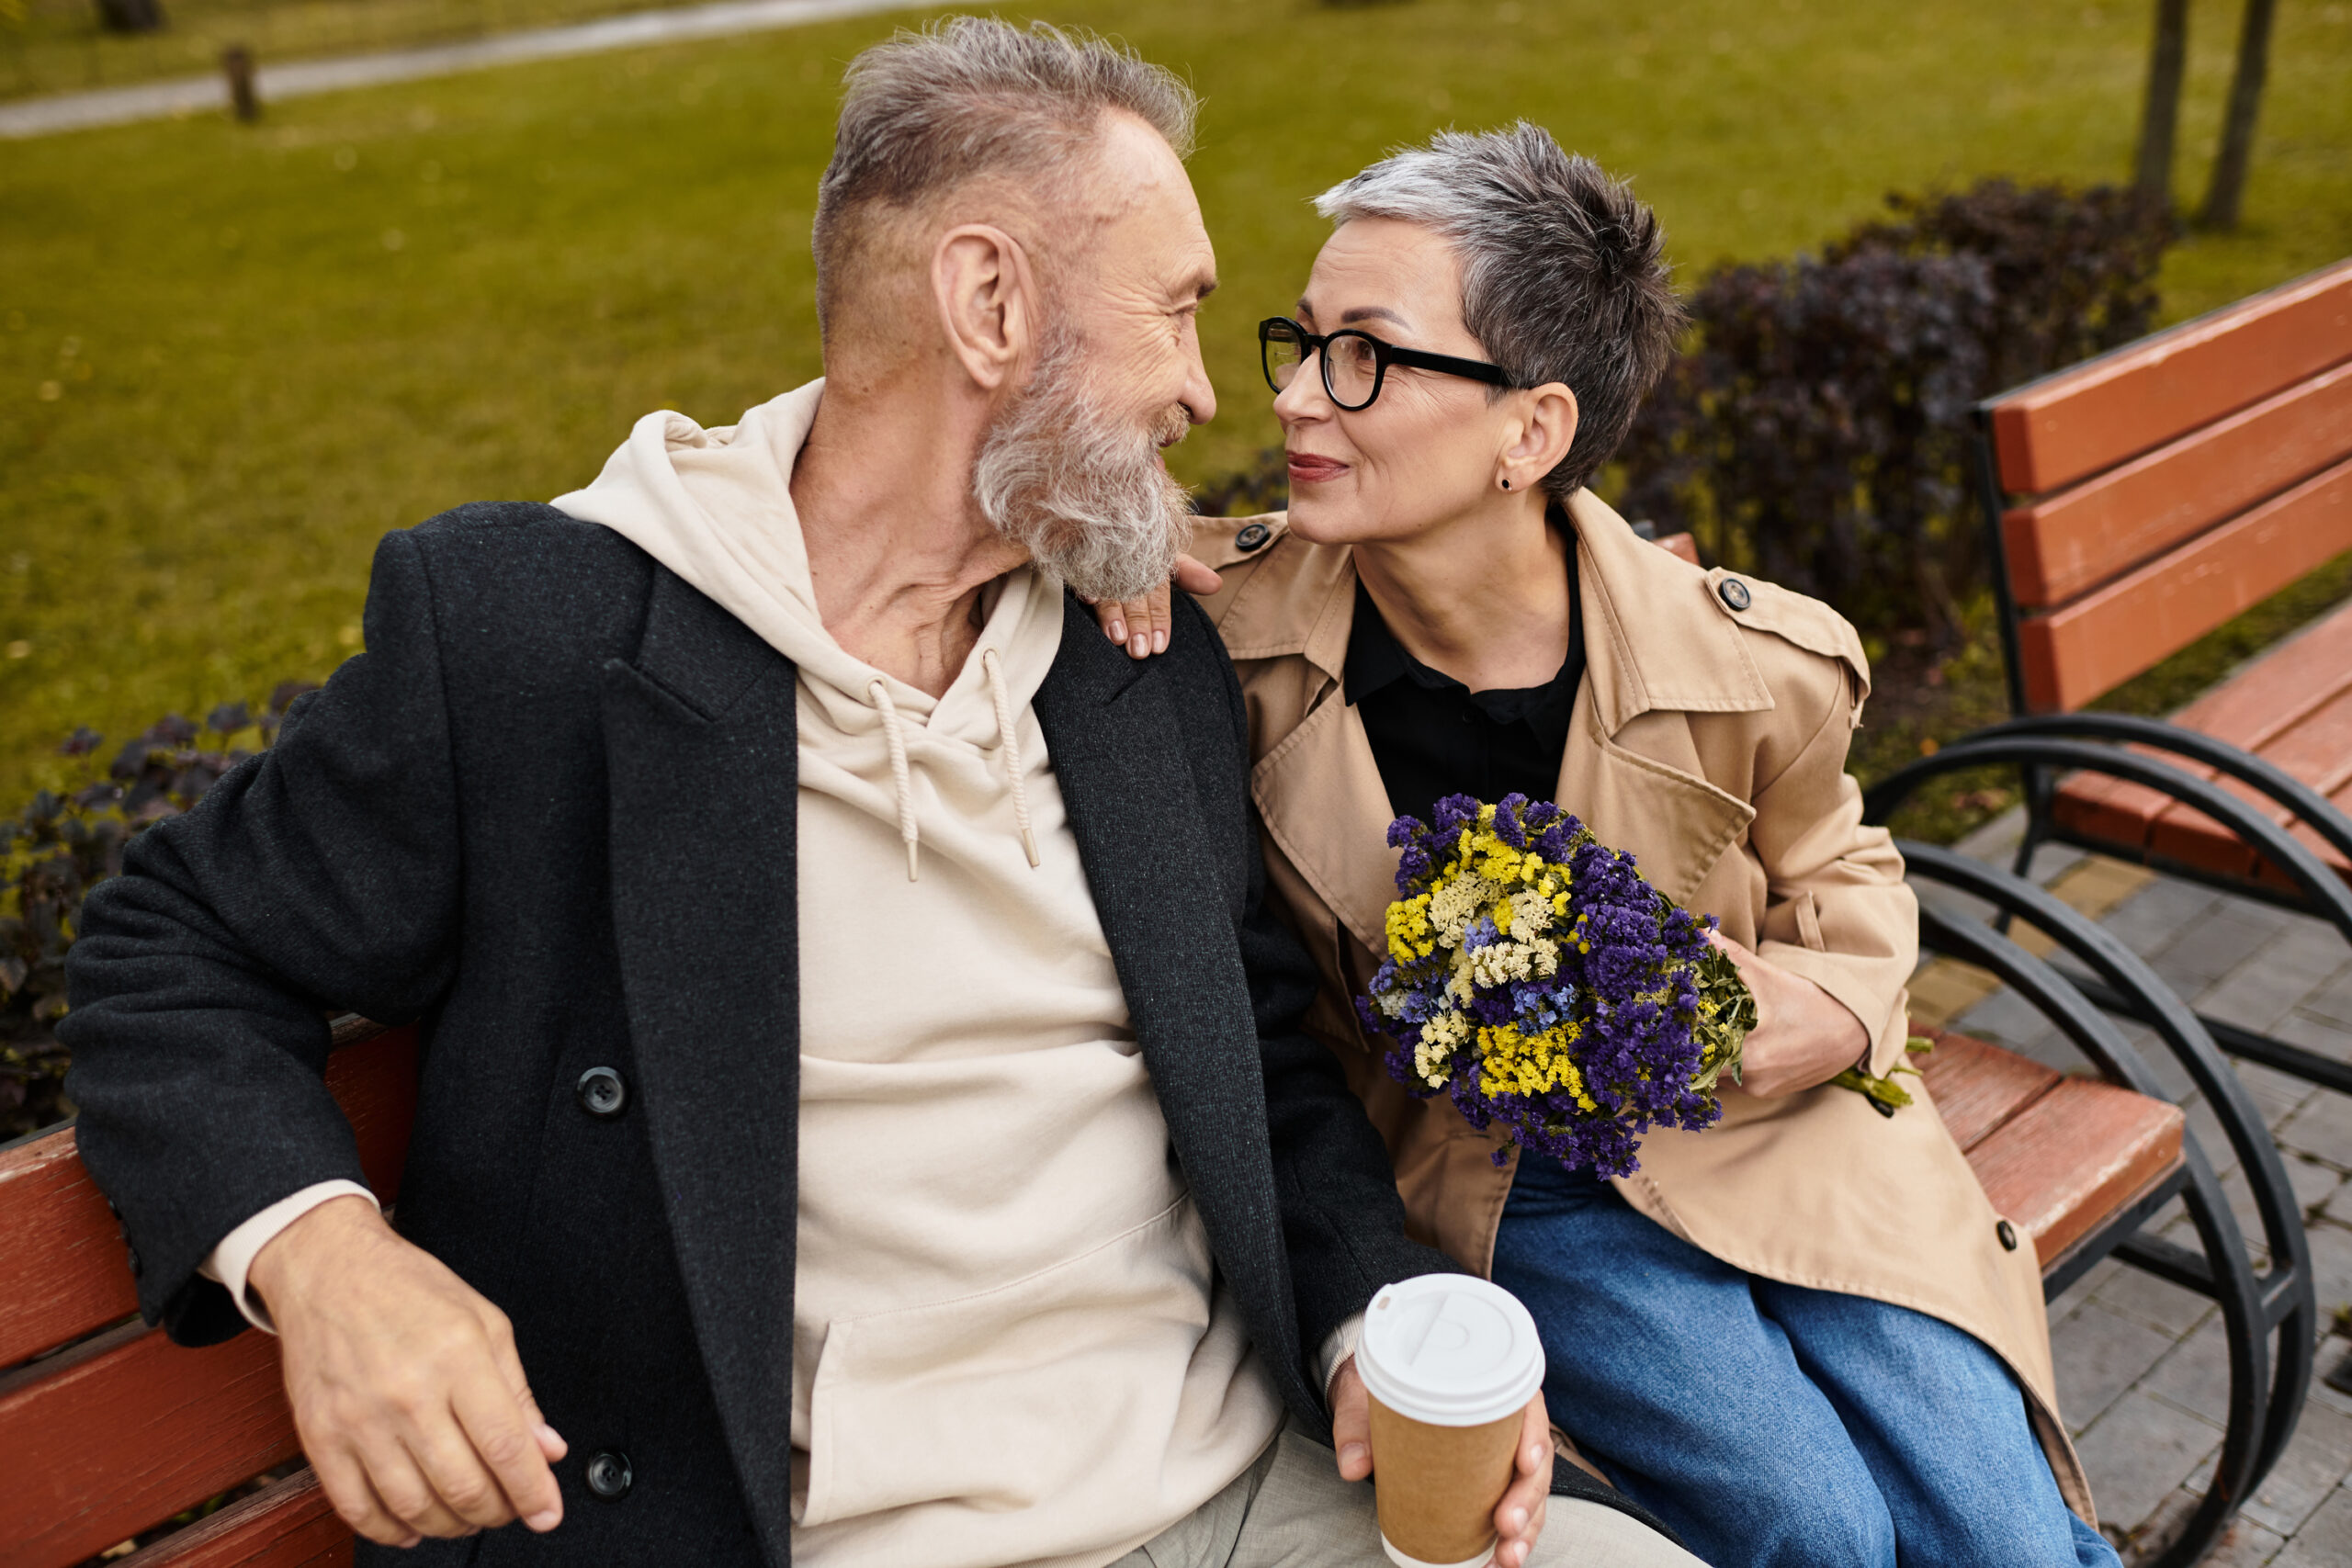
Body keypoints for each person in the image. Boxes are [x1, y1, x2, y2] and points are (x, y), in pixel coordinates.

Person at [60, 22, 1702, 1568]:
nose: (1212, 394)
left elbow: (1263, 1062)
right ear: (989, 304)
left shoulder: (1130, 656)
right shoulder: (538, 638)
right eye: (1175, 311)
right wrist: (325, 1256)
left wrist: (1361, 1324)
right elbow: (171, 947)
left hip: (1251, 1488)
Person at [1093, 125, 2123, 1568]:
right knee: (1809, 1527)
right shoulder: (1223, 641)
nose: (1295, 395)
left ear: (1532, 432)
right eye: (1304, 340)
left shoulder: (1748, 663)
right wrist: (1095, 541)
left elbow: (1845, 864)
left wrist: (1833, 1011)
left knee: (2001, 1535)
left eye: (1365, 355)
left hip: (1775, 1131)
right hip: (1502, 1182)